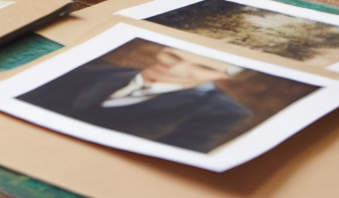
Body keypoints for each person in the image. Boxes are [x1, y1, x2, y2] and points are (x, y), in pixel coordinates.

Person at [18, 47, 252, 153]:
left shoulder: (224, 114)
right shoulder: (86, 69)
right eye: (173, 55)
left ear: (222, 76)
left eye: (204, 67)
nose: (177, 69)